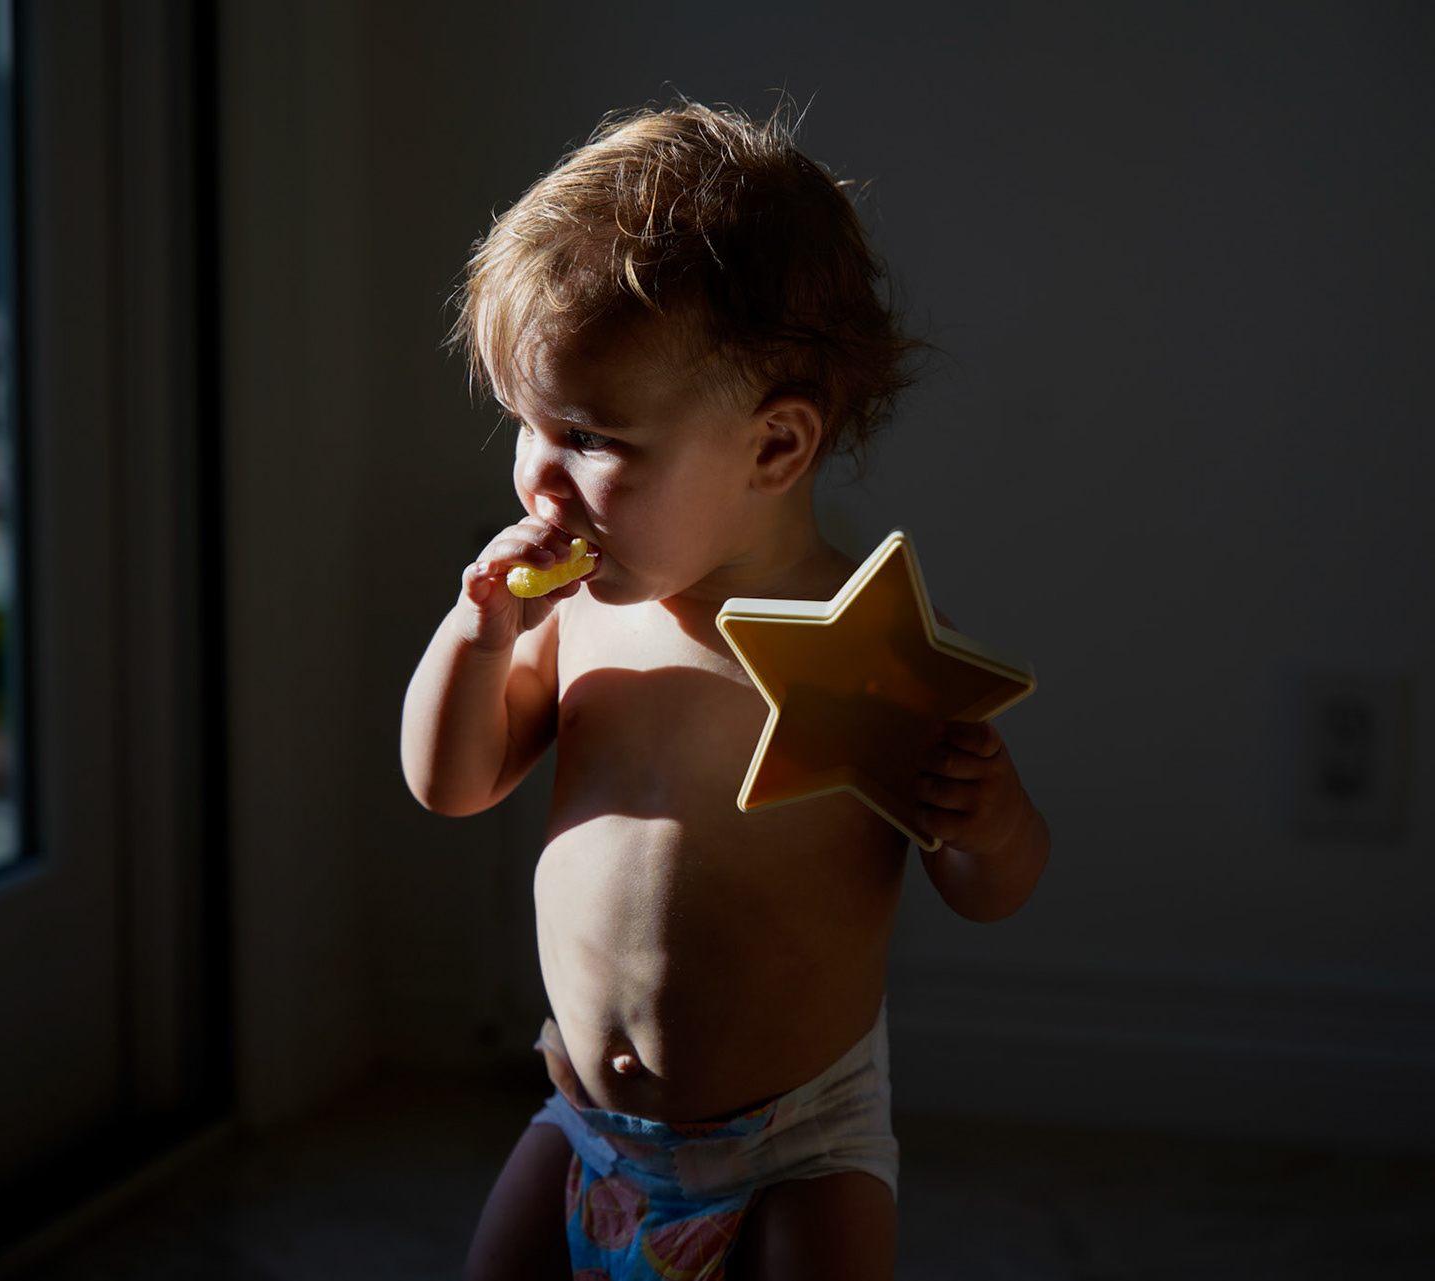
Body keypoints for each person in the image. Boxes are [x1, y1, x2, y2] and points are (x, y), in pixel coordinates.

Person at [401, 100, 1050, 1281]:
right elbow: (451, 783)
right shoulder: (574, 616)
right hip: (585, 1125)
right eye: (523, 423)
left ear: (774, 448)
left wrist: (989, 827)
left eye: (591, 436)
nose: (538, 475)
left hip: (795, 1151)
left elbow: (990, 890)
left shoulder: (872, 648)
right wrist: (476, 638)